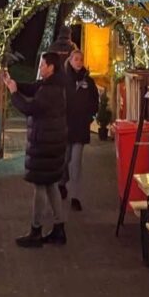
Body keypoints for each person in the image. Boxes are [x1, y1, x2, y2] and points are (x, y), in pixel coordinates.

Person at [4, 53, 68, 248]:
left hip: (45, 144)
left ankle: (36, 231)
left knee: (40, 186)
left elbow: (29, 108)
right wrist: (14, 83)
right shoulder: (54, 85)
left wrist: (14, 93)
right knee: (51, 185)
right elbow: (33, 87)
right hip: (53, 143)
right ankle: (59, 229)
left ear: (51, 67)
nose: (40, 68)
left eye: (42, 65)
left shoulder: (50, 91)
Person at [59, 50, 98, 211]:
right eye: (76, 59)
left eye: (81, 59)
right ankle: (62, 182)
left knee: (76, 163)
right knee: (65, 160)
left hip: (80, 128)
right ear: (70, 60)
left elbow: (94, 101)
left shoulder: (88, 81)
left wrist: (90, 116)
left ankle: (75, 196)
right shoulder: (63, 80)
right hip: (66, 127)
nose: (79, 62)